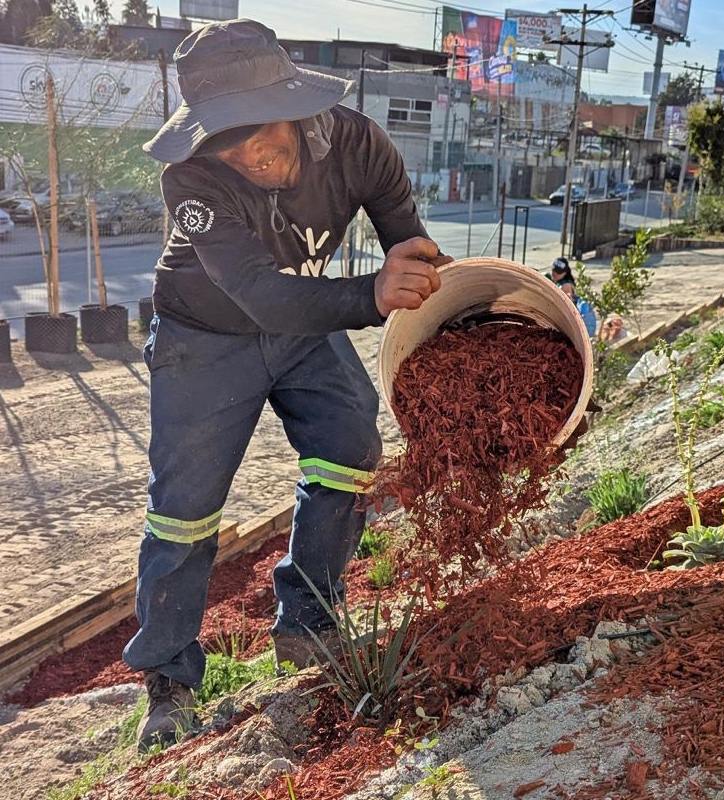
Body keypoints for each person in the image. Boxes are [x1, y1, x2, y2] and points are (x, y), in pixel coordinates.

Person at [124, 18, 454, 751]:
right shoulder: (192, 177)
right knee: (184, 509)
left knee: (349, 449)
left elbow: (407, 236)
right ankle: (168, 682)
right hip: (206, 338)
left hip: (306, 323)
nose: (242, 151)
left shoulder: (361, 144)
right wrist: (373, 294)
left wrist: (435, 286)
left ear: (297, 106)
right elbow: (260, 295)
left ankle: (307, 621)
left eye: (252, 127)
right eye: (220, 134)